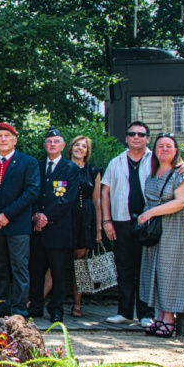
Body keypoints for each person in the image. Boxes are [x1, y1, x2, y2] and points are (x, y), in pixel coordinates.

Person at [101, 121, 184, 327]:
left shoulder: (157, 158)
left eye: (141, 134)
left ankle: (146, 314)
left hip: (152, 223)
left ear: (147, 139)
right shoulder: (115, 162)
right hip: (122, 220)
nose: (136, 137)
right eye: (132, 133)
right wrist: (106, 220)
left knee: (148, 268)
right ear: (126, 138)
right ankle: (124, 312)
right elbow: (105, 192)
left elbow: (178, 169)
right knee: (124, 267)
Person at [0, 122, 40, 318]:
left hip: (17, 225)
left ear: (15, 139)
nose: (3, 139)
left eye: (7, 136)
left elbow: (31, 192)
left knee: (19, 267)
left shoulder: (28, 162)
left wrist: (6, 215)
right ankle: (2, 304)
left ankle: (20, 308)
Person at [138, 133, 184, 338]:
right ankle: (160, 316)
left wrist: (150, 213)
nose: (164, 149)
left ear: (176, 150)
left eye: (168, 146)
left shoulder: (182, 172)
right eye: (160, 146)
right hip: (157, 227)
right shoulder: (154, 173)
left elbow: (181, 202)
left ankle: (170, 320)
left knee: (170, 269)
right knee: (155, 269)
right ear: (154, 150)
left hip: (175, 225)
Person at [27, 128, 80, 323]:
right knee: (36, 270)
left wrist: (45, 217)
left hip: (58, 227)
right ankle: (36, 306)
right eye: (49, 142)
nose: (52, 145)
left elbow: (67, 199)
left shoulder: (71, 169)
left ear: (63, 145)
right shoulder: (37, 167)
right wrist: (35, 216)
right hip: (37, 229)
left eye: (56, 142)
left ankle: (56, 309)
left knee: (58, 272)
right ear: (44, 145)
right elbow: (31, 192)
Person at [66, 135, 102, 317]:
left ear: (87, 151)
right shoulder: (62, 168)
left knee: (80, 264)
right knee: (57, 260)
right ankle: (37, 301)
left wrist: (98, 228)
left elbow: (97, 200)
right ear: (70, 148)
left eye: (84, 146)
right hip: (65, 217)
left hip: (85, 219)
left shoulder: (93, 171)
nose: (80, 148)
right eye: (77, 145)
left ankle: (77, 303)